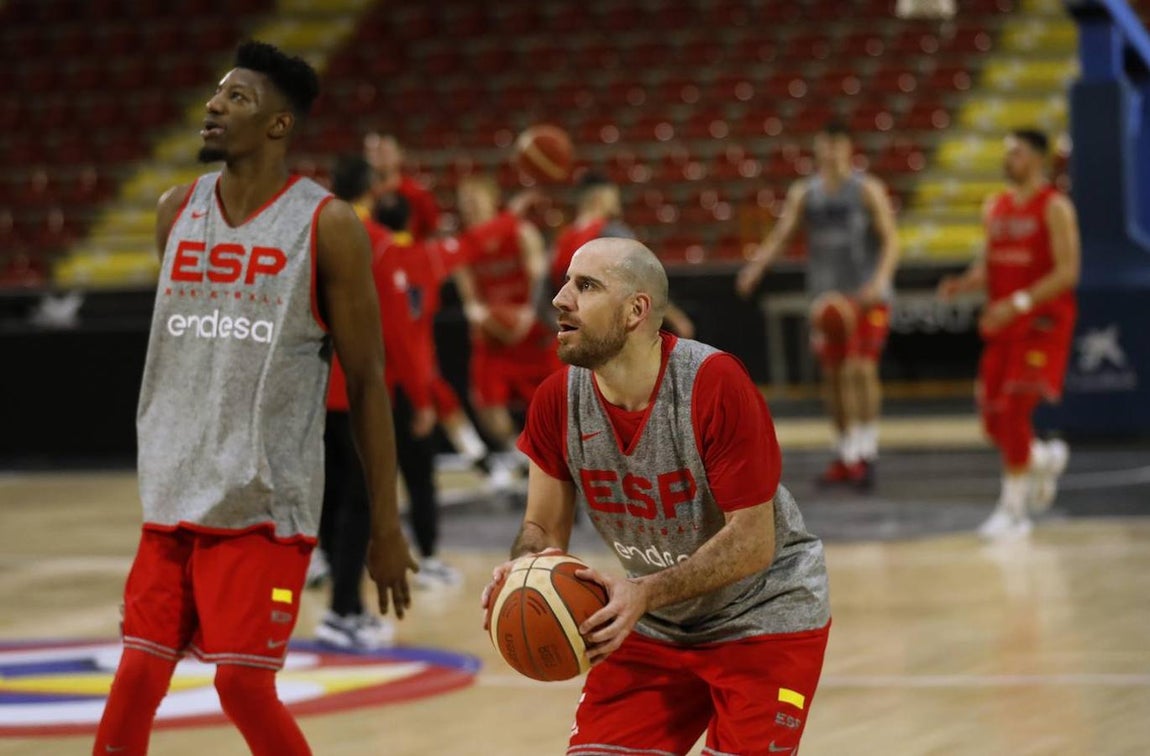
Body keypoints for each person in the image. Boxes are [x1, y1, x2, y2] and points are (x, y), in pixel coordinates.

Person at [94, 42, 417, 756]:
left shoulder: (327, 225)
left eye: (236, 98)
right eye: (216, 93)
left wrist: (385, 531)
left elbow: (367, 381)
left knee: (241, 686)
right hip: (172, 498)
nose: (213, 106)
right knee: (137, 675)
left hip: (264, 505)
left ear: (278, 125)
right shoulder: (175, 211)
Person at [482, 237, 831, 754]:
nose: (559, 298)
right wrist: (523, 571)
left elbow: (755, 542)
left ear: (634, 312)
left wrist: (643, 592)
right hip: (655, 624)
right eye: (564, 282)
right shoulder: (557, 399)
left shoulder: (713, 384)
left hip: (763, 615)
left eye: (586, 286)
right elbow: (542, 528)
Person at [736, 121, 900, 491]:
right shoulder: (805, 193)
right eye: (824, 146)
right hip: (826, 298)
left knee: (860, 368)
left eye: (836, 146)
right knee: (833, 375)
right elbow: (782, 234)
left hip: (864, 295)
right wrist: (756, 267)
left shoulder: (867, 189)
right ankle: (844, 454)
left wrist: (879, 281)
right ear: (817, 149)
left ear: (848, 149)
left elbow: (891, 240)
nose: (830, 153)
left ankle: (866, 451)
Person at [938, 129, 1078, 539]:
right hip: (1002, 324)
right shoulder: (994, 206)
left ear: (1037, 158)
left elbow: (1068, 272)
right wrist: (965, 284)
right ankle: (1042, 456)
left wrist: (1017, 303)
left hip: (1041, 323)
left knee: (1016, 409)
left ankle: (1013, 512)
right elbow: (992, 264)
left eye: (1015, 153)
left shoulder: (1055, 207)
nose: (1008, 159)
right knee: (993, 422)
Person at [454, 174, 560, 472]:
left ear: (492, 202)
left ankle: (555, 460)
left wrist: (526, 317)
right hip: (494, 335)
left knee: (553, 405)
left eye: (475, 201)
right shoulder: (464, 246)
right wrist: (479, 315)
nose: (470, 208)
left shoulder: (520, 232)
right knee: (485, 405)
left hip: (532, 329)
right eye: (465, 204)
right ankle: (522, 458)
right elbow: (470, 300)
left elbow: (539, 281)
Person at [553, 171, 696, 338]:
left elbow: (542, 297)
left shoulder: (562, 240)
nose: (618, 203)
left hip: (569, 335)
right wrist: (675, 317)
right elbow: (646, 278)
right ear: (600, 197)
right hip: (608, 334)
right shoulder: (613, 232)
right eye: (614, 197)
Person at [364, 132, 440, 240]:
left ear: (399, 155)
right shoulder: (363, 195)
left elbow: (432, 231)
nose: (380, 157)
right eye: (375, 152)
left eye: (386, 152)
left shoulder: (417, 193)